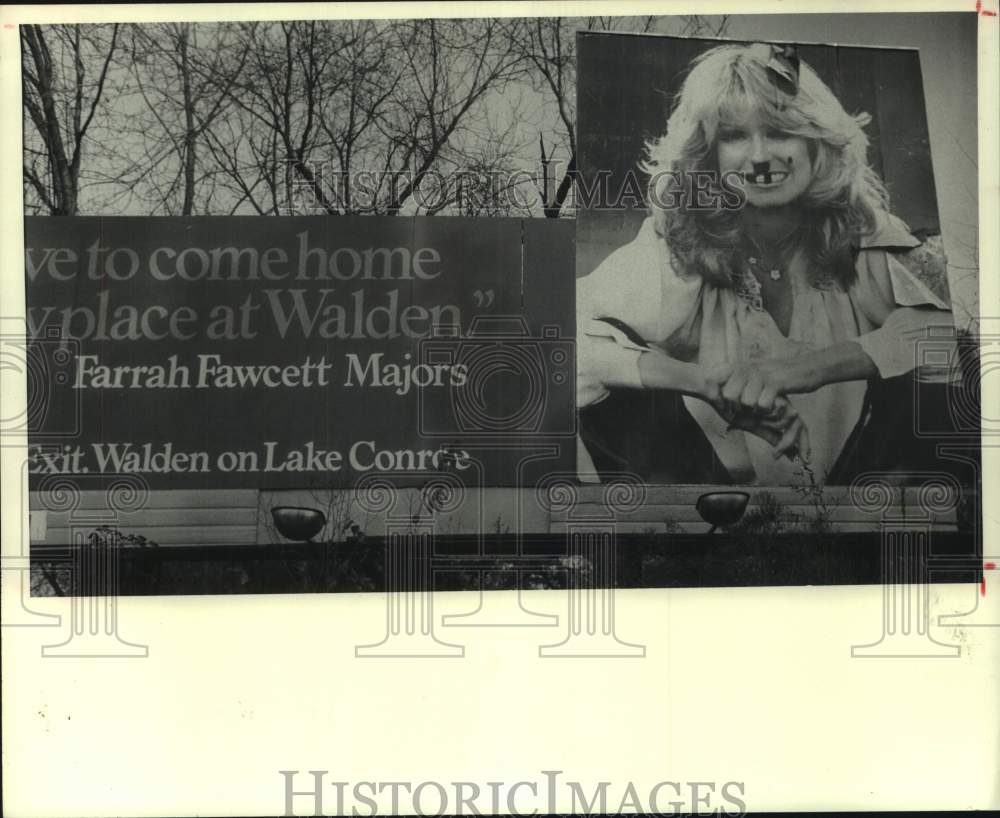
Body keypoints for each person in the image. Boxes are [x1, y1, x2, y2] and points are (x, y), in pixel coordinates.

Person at [577, 42, 955, 486]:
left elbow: (954, 332)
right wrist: (703, 383)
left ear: (817, 143)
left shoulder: (864, 231)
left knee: (935, 382)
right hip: (704, 504)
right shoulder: (677, 245)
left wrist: (809, 369)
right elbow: (562, 341)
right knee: (607, 377)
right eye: (734, 136)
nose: (759, 157)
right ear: (709, 155)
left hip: (856, 495)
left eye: (779, 131)